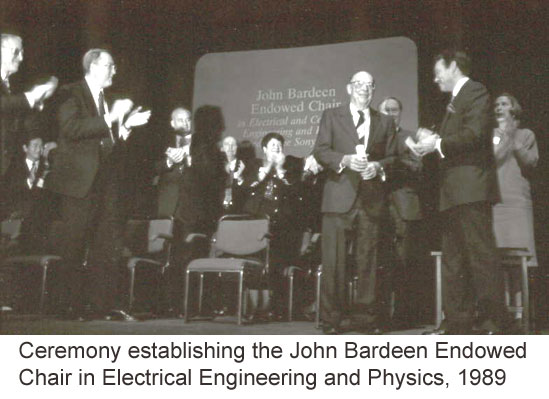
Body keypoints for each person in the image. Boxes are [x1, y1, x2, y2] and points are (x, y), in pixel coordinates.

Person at [45, 48, 151, 321]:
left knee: (107, 244)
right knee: (75, 243)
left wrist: (125, 127)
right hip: (80, 184)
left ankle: (102, 306)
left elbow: (107, 143)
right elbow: (71, 129)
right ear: (93, 66)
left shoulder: (109, 99)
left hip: (107, 184)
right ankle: (68, 306)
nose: (115, 71)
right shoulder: (70, 93)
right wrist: (112, 118)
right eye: (110, 65)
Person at [415, 50, 511, 334]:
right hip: (454, 191)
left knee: (481, 256)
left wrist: (438, 143)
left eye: (438, 72)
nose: (435, 79)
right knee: (453, 259)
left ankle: (495, 320)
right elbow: (458, 135)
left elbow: (475, 133)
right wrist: (432, 140)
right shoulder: (455, 101)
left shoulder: (475, 91)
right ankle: (458, 322)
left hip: (471, 188)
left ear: (453, 66)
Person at [313, 71, 397, 334]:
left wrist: (378, 167)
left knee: (368, 262)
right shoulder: (331, 115)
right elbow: (321, 150)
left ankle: (366, 320)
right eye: (359, 84)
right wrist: (346, 160)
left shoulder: (384, 121)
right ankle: (331, 320)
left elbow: (393, 158)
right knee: (334, 262)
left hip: (370, 199)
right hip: (338, 197)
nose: (365, 89)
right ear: (348, 88)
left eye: (370, 85)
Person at [244, 132, 304, 320]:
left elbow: (296, 192)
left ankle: (276, 308)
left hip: (281, 224)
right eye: (272, 145)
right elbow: (248, 187)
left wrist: (279, 170)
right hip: (255, 221)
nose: (277, 148)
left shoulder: (291, 166)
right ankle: (251, 307)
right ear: (264, 149)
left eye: (279, 145)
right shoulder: (255, 165)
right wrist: (266, 170)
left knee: (277, 264)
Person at [378, 96, 424, 328]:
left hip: (403, 206)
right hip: (378, 208)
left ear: (400, 113)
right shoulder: (374, 138)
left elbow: (417, 166)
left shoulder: (409, 137)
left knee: (404, 263)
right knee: (382, 264)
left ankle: (404, 316)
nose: (389, 113)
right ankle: (380, 316)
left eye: (394, 110)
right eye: (385, 110)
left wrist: (391, 162)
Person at [492, 93, 538, 310]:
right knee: (497, 261)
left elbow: (530, 163)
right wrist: (503, 135)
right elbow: (492, 160)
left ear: (513, 108)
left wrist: (513, 138)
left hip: (517, 203)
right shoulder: (489, 134)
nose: (499, 107)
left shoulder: (526, 134)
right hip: (495, 203)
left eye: (504, 104)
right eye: (497, 104)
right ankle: (503, 314)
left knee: (519, 262)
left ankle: (522, 316)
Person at [1, 33, 57, 175]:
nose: (21, 58)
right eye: (16, 52)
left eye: (22, 53)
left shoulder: (11, 85)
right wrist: (31, 97)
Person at [155, 107, 193, 218]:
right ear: (172, 123)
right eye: (180, 120)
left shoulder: (201, 144)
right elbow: (152, 168)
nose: (185, 123)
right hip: (168, 204)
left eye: (188, 119)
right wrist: (169, 161)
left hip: (192, 204)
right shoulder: (162, 143)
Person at [220, 136, 246, 214]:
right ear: (222, 148)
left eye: (233, 144)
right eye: (227, 144)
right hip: (218, 209)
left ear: (237, 148)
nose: (230, 147)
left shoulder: (245, 166)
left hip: (238, 209)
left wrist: (240, 178)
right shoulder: (215, 166)